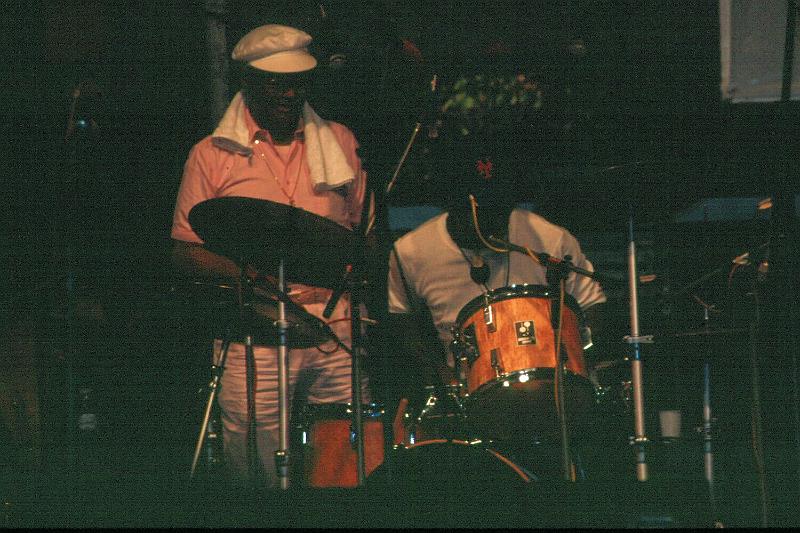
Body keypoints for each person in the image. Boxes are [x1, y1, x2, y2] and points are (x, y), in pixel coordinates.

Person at [170, 24, 370, 489]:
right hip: (254, 328)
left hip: (335, 325)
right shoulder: (211, 153)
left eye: (297, 80)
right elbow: (185, 250)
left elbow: (364, 235)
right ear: (249, 81)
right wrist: (254, 279)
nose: (288, 91)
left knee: (345, 461)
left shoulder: (340, 141)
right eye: (276, 81)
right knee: (258, 471)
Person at [384, 143, 609, 480]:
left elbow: (592, 305)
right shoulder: (411, 252)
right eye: (480, 211)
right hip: (464, 396)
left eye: (500, 210)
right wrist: (439, 374)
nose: (493, 222)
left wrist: (577, 354)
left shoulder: (548, 240)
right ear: (454, 205)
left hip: (552, 390)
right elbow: (400, 316)